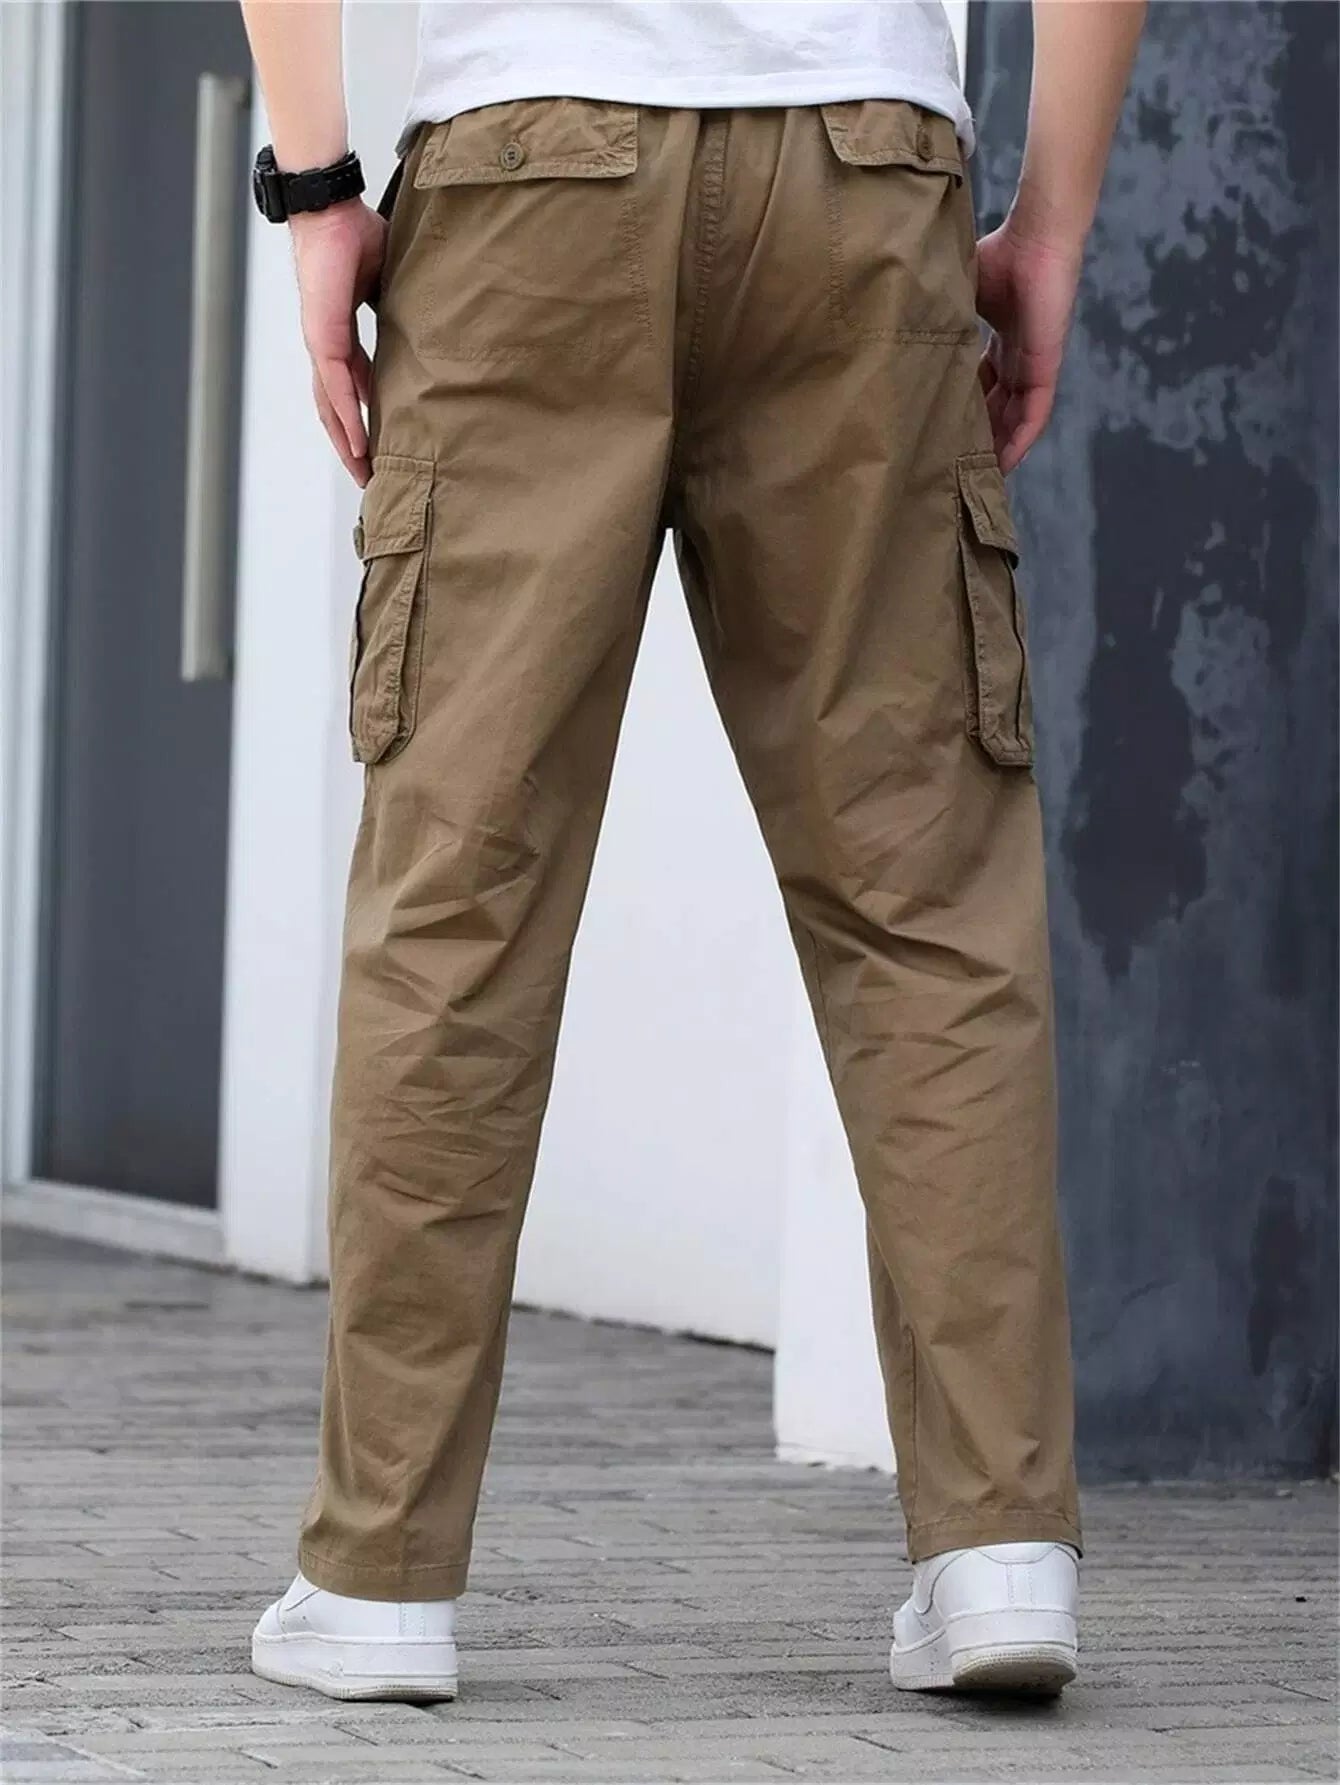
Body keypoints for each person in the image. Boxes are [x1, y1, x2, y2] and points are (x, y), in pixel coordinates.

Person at [241, 0, 1143, 1705]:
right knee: (924, 901)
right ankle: (1000, 1546)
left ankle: (379, 1577)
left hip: (530, 170)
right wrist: (1053, 224)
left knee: (458, 898)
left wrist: (316, 186)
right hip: (864, 173)